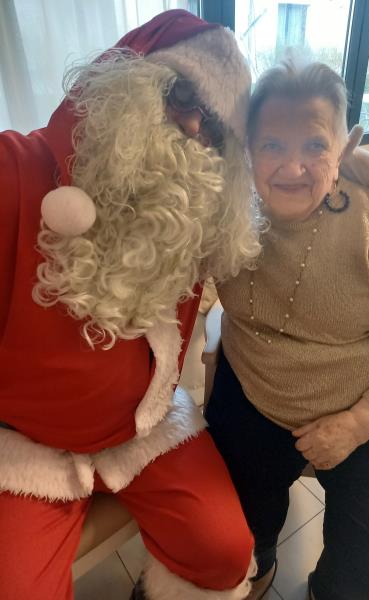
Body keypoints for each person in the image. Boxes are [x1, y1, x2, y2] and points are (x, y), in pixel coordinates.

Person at [0, 10, 261, 600]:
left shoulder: (195, 215)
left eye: (214, 127)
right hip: (26, 445)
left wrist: (330, 173)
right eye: (181, 95)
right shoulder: (16, 169)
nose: (193, 127)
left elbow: (284, 202)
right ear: (129, 83)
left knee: (226, 551)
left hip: (144, 429)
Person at [205, 60, 369, 600]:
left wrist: (361, 422)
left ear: (342, 151)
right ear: (248, 151)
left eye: (315, 145)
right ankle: (260, 560)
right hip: (255, 396)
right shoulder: (223, 213)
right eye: (272, 145)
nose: (293, 166)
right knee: (227, 540)